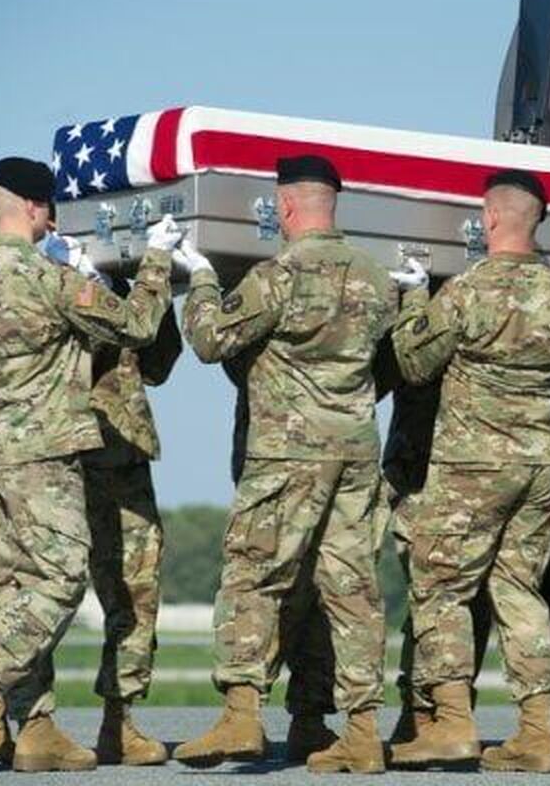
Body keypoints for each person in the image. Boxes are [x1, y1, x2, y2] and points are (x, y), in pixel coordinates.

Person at [0, 157, 174, 773]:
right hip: (40, 453)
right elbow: (138, 325)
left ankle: (35, 729)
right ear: (36, 207)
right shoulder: (48, 278)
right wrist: (156, 260)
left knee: (12, 590)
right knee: (62, 577)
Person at [173, 154, 396, 774]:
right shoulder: (378, 280)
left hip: (286, 454)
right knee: (351, 590)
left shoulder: (277, 276)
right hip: (356, 452)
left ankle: (241, 715)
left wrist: (202, 280)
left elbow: (211, 340)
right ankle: (362, 732)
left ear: (285, 206)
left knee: (254, 576)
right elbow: (389, 365)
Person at [387, 170, 550, 773]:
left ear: (490, 218)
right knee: (520, 591)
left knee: (440, 586)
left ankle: (451, 723)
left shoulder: (467, 290)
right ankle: (537, 732)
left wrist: (414, 298)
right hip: (538, 463)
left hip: (473, 463)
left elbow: (414, 362)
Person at [36, 229, 182, 766]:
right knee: (42, 592)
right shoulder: (44, 279)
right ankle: (25, 720)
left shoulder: (118, 287)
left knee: (136, 590)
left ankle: (119, 721)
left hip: (121, 459)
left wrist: (144, 286)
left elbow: (158, 363)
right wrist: (90, 280)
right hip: (58, 458)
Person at [222, 349, 340, 763]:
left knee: (266, 579)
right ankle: (290, 716)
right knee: (316, 582)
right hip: (333, 438)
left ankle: (253, 713)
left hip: (274, 441)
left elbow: (222, 347)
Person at [379, 378, 494, 747]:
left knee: (435, 592)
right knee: (457, 594)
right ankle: (430, 712)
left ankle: (429, 715)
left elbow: (401, 369)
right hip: (485, 453)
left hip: (428, 457)